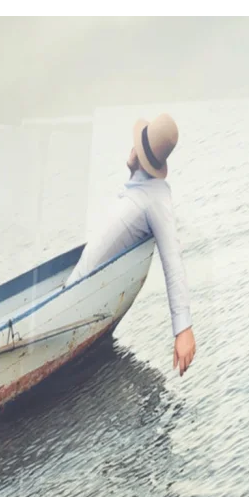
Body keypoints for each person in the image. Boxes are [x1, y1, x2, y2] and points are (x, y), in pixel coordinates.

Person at [65, 114, 197, 377]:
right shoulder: (137, 189)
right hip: (72, 292)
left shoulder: (156, 198)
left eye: (136, 145)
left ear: (139, 153)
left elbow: (173, 259)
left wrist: (183, 329)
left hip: (76, 302)